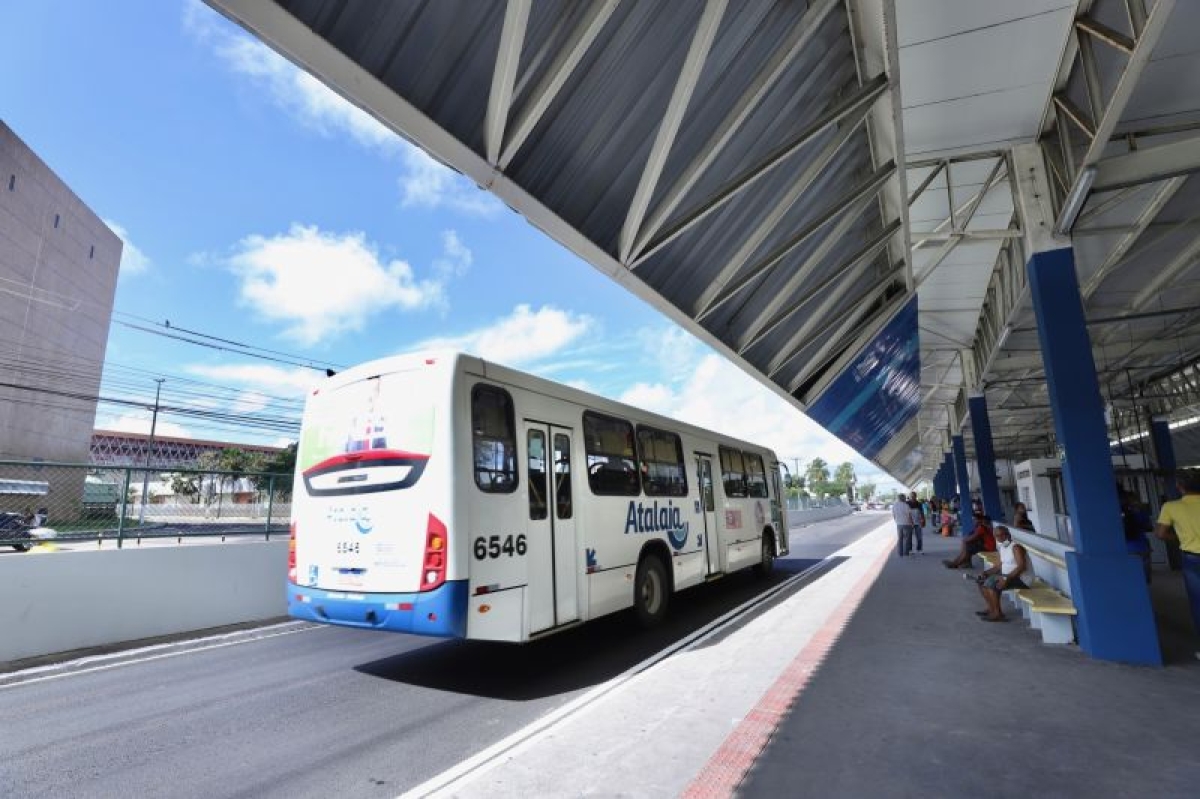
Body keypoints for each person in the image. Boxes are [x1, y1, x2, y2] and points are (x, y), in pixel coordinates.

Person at [1154, 469, 1200, 660]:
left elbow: (1160, 534)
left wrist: (1181, 537)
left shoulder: (1171, 507)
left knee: (1198, 603)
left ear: (1180, 487)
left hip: (1192, 559)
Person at [973, 525, 1028, 621]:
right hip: (1008, 576)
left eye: (1001, 535)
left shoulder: (1016, 547)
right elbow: (999, 566)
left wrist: (1006, 578)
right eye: (996, 536)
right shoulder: (1003, 547)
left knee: (992, 582)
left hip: (1022, 579)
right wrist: (986, 573)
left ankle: (998, 614)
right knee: (981, 581)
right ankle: (991, 609)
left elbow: (1022, 567)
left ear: (1008, 535)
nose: (999, 538)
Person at [1119, 488, 1153, 583]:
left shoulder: (1118, 513)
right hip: (1142, 546)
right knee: (1145, 578)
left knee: (1131, 579)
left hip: (1126, 548)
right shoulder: (1139, 512)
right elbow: (1149, 527)